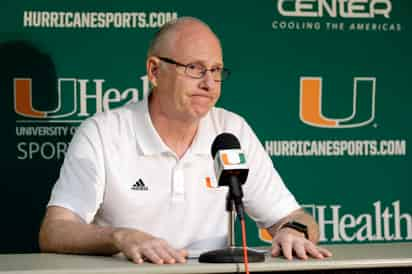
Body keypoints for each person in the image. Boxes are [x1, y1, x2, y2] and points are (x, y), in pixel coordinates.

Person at [39, 17, 332, 264]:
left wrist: (293, 232)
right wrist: (121, 236)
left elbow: (296, 218)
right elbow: (55, 231)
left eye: (216, 71)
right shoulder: (103, 132)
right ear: (155, 71)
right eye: (194, 68)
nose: (208, 84)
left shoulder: (231, 129)